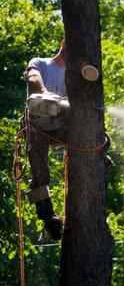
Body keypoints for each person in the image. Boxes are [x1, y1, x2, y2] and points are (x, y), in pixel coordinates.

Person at [24, 39, 68, 241]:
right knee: (40, 175)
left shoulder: (73, 74)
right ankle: (49, 219)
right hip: (37, 129)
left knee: (95, 138)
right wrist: (44, 93)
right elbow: (33, 77)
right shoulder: (40, 63)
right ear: (63, 43)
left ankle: (98, 159)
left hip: (60, 127)